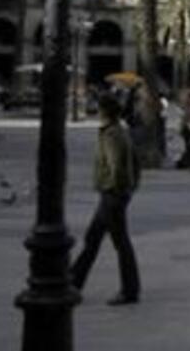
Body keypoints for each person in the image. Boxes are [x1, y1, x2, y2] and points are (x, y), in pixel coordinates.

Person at [71, 92, 141, 305]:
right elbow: (135, 162)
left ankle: (130, 290)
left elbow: (116, 165)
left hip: (112, 195)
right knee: (93, 239)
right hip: (116, 194)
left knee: (120, 243)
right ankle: (73, 282)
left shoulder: (111, 133)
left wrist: (115, 187)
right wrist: (132, 185)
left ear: (104, 111)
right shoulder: (121, 130)